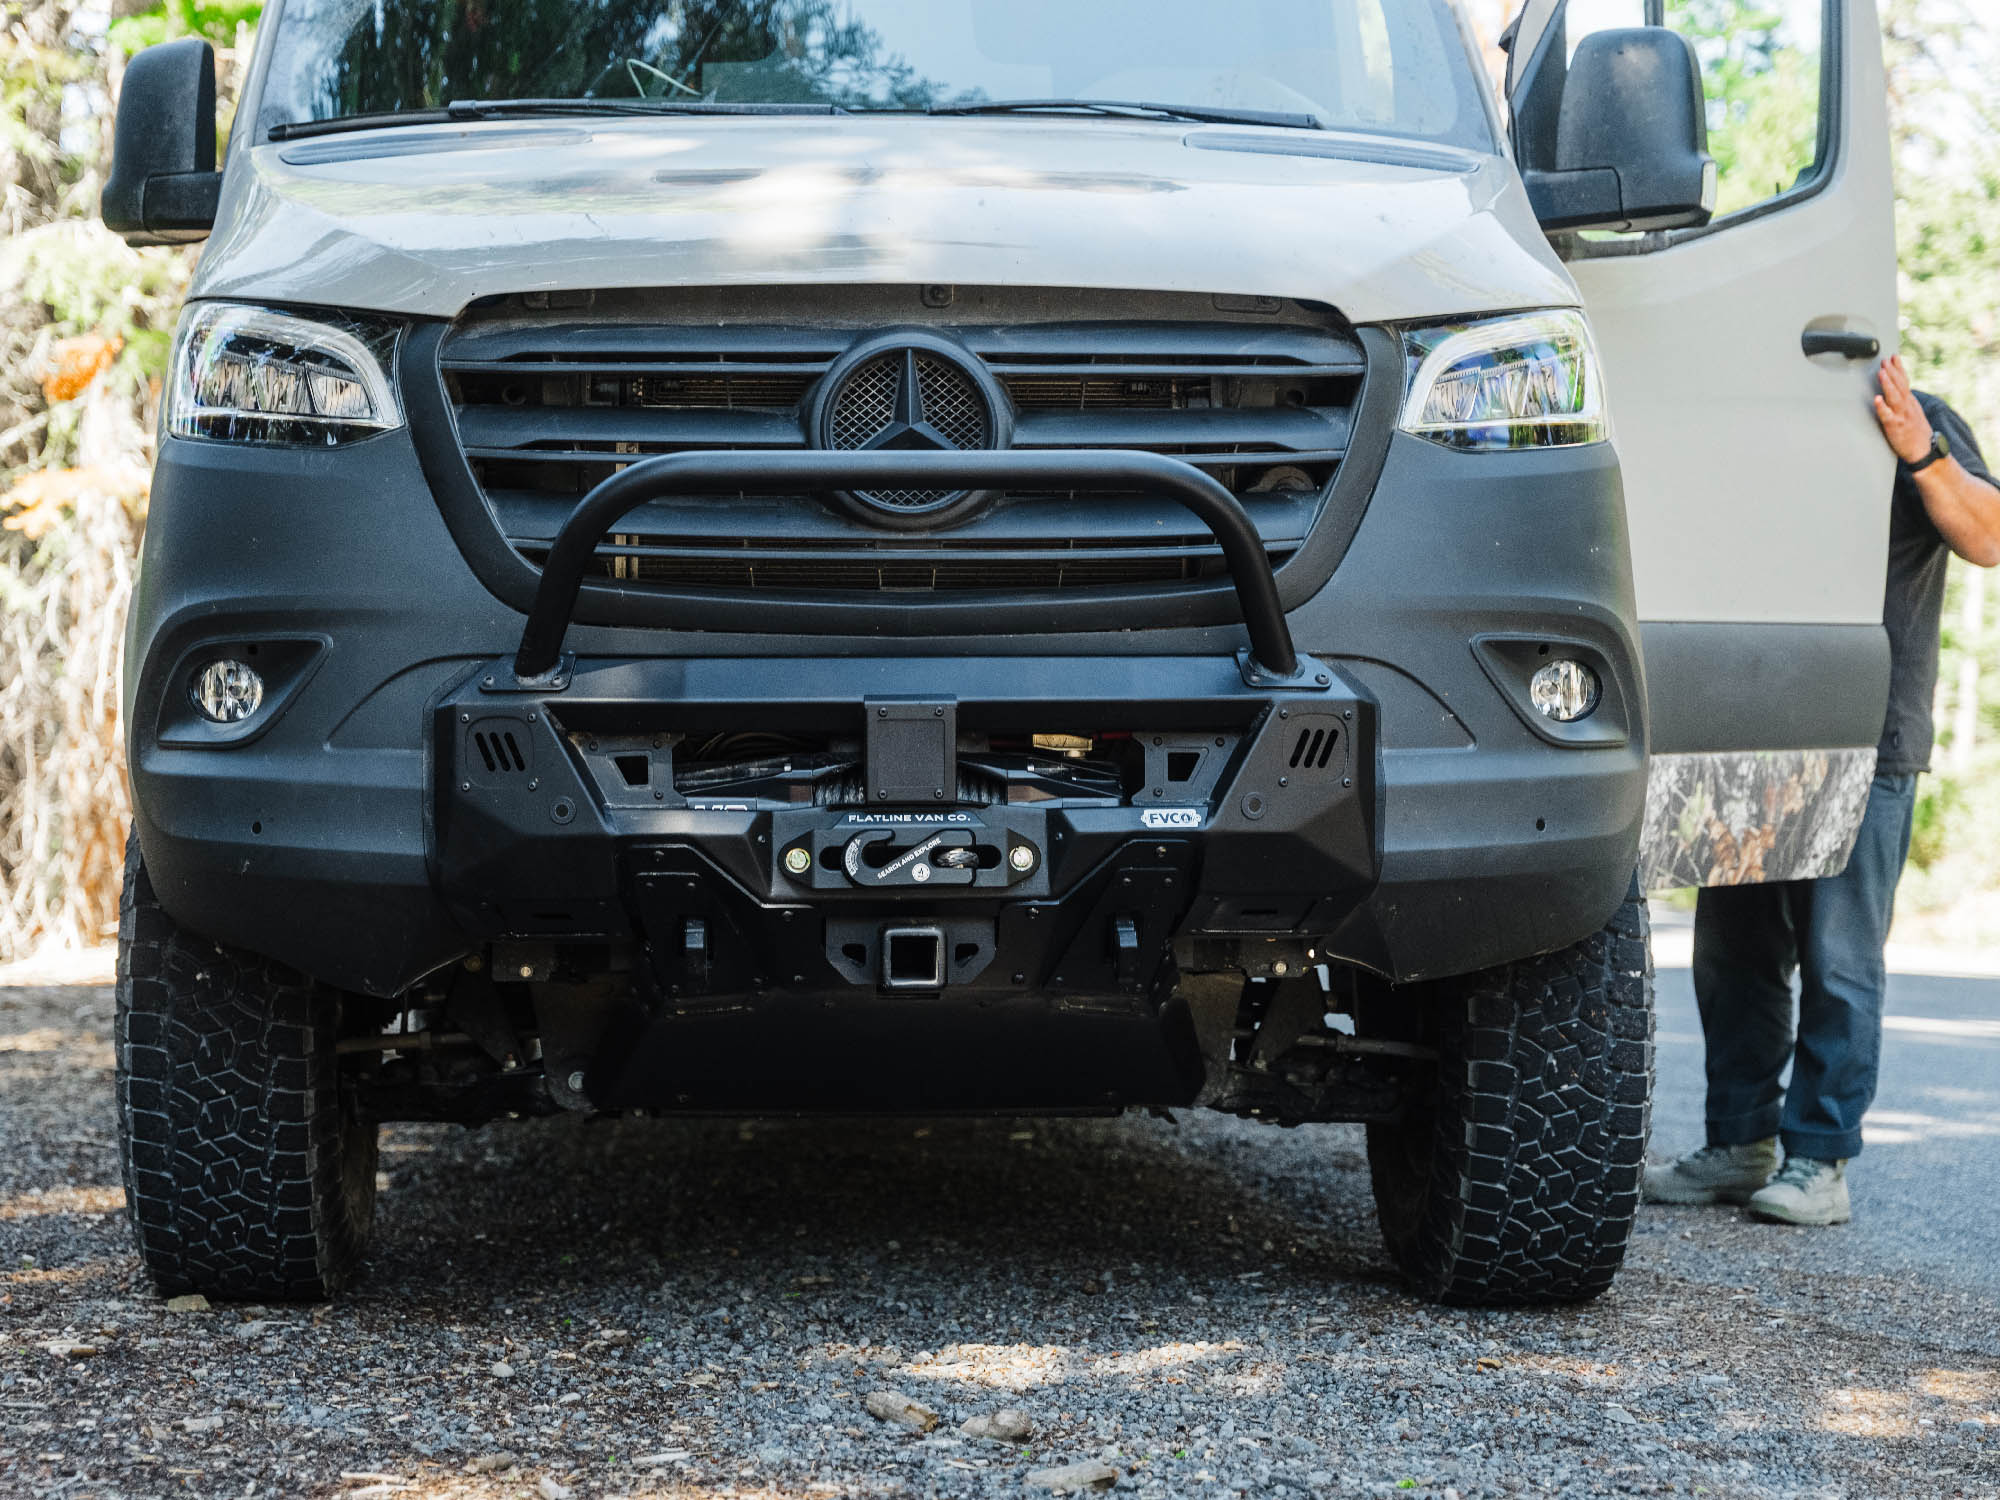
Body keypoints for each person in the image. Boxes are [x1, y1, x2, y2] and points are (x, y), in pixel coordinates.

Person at [1645, 356, 2000, 1226]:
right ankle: (1739, 1144)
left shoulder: (1921, 416)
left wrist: (1921, 454)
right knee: (1734, 953)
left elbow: (1991, 536)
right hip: (1756, 729)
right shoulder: (1751, 424)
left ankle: (1821, 1162)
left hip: (1869, 735)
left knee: (1841, 959)